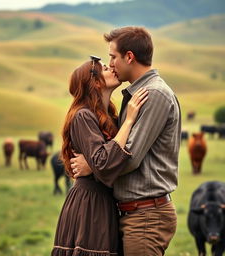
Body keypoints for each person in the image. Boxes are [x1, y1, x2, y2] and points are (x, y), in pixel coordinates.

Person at [70, 27, 182, 256]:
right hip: (135, 214)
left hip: (146, 216)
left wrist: (92, 165)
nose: (110, 64)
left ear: (129, 57)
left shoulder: (153, 94)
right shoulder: (136, 95)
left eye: (112, 57)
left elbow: (129, 158)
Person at [51, 55, 148, 256]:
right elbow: (103, 162)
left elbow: (103, 161)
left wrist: (90, 166)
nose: (112, 67)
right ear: (95, 82)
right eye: (105, 68)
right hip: (89, 204)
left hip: (105, 201)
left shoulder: (109, 117)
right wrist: (129, 121)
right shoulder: (83, 115)